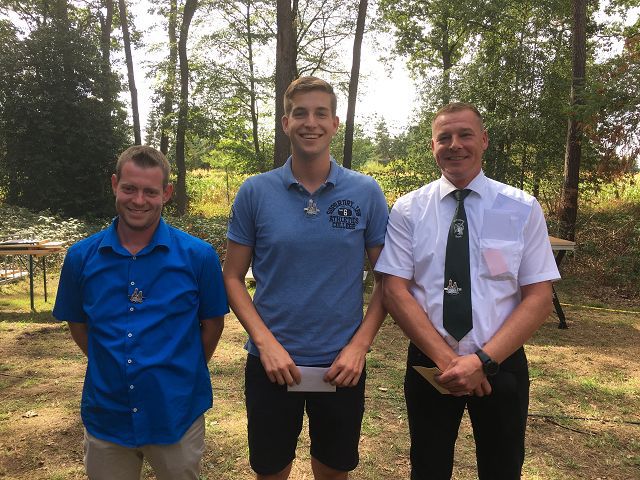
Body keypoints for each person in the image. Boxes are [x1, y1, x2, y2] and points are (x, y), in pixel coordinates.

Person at [375, 102, 560, 479]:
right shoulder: (409, 210)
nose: (455, 144)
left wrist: (482, 362)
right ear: (433, 146)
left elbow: (539, 297)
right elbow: (394, 290)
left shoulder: (520, 207)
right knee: (427, 468)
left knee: (502, 468)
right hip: (430, 364)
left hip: (500, 363)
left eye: (465, 135)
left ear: (484, 140)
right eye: (444, 137)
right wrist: (449, 361)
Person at [223, 76, 388, 480]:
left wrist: (359, 347)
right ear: (285, 122)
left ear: (335, 124)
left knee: (334, 470)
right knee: (270, 470)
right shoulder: (255, 192)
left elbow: (388, 279)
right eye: (300, 113)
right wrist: (266, 344)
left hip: (341, 364)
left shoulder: (365, 192)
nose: (310, 122)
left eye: (320, 113)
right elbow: (232, 277)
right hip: (271, 363)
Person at [53, 145, 228, 480]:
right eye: (129, 188)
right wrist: (112, 363)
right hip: (107, 414)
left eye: (150, 191)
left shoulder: (199, 256)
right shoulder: (80, 258)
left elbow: (213, 324)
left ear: (167, 193)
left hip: (176, 411)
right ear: (114, 184)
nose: (138, 200)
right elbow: (78, 324)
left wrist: (180, 369)